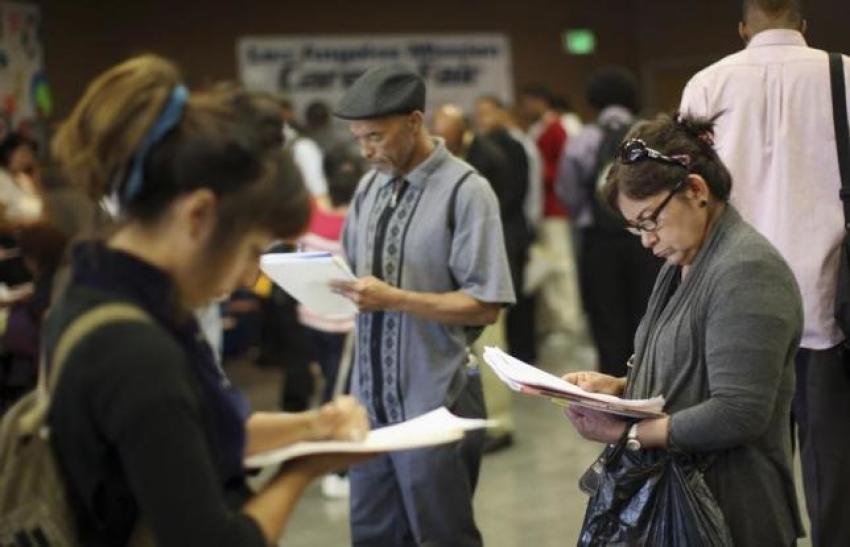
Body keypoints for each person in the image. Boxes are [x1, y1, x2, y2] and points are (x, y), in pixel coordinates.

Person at [44, 55, 370, 546]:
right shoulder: (133, 349)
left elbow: (197, 438)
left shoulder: (104, 290)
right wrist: (302, 470)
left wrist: (311, 425)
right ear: (198, 215)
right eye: (251, 251)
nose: (246, 278)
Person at [563, 113, 804, 546]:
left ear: (696, 190)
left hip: (732, 508)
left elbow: (738, 411)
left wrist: (628, 433)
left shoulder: (747, 269)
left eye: (650, 220)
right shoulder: (685, 262)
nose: (646, 239)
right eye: (636, 227)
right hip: (681, 495)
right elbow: (687, 369)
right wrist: (619, 388)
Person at [679, 2, 850, 544]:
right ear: (802, 24)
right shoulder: (845, 75)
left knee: (745, 471)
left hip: (733, 304)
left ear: (742, 28)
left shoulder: (705, 86)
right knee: (837, 479)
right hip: (831, 303)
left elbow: (687, 201)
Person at [331, 65, 515, 546]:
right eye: (358, 139)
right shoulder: (369, 188)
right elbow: (354, 273)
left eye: (376, 136)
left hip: (436, 397)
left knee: (441, 535)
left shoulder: (465, 191)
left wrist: (397, 299)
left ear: (415, 121)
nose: (366, 150)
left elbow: (486, 303)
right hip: (371, 400)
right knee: (372, 534)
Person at [556, 67, 662, 377]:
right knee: (648, 310)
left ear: (593, 100)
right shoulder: (650, 133)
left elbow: (568, 191)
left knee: (606, 317)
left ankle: (613, 388)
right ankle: (650, 380)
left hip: (599, 241)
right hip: (647, 236)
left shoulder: (582, 139)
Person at [517, 85, 583, 346]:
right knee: (546, 268)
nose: (525, 109)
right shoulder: (537, 129)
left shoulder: (556, 127)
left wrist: (537, 174)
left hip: (555, 207)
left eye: (528, 103)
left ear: (541, 102)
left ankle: (567, 320)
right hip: (541, 208)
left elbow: (564, 167)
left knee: (561, 267)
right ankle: (552, 318)